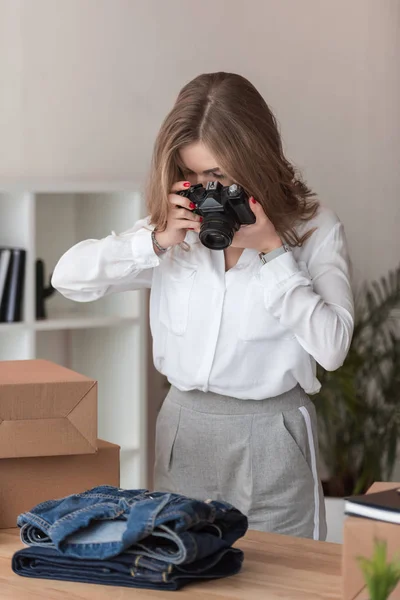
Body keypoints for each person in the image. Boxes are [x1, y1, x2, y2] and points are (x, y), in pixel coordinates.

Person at [51, 72, 354, 541]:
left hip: (273, 433)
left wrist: (273, 252)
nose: (203, 190)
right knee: (184, 574)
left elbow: (333, 348)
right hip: (184, 428)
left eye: (217, 176)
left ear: (255, 158)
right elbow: (67, 278)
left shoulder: (312, 228)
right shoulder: (175, 231)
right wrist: (155, 241)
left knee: (284, 583)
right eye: (189, 174)